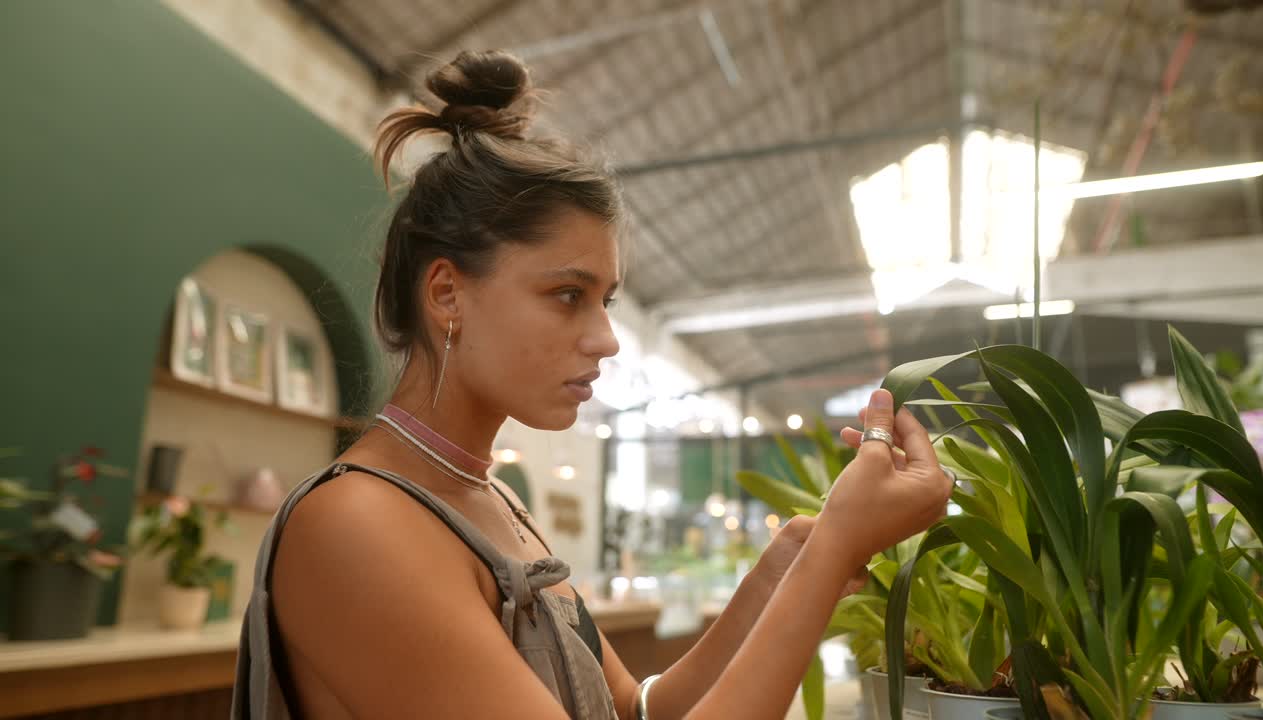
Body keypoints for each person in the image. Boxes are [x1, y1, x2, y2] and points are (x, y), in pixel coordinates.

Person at [231, 50, 952, 720]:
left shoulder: (491, 498)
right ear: (447, 294)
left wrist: (780, 575)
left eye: (606, 299)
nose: (605, 339)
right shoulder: (358, 525)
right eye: (567, 295)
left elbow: (635, 709)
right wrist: (827, 562)